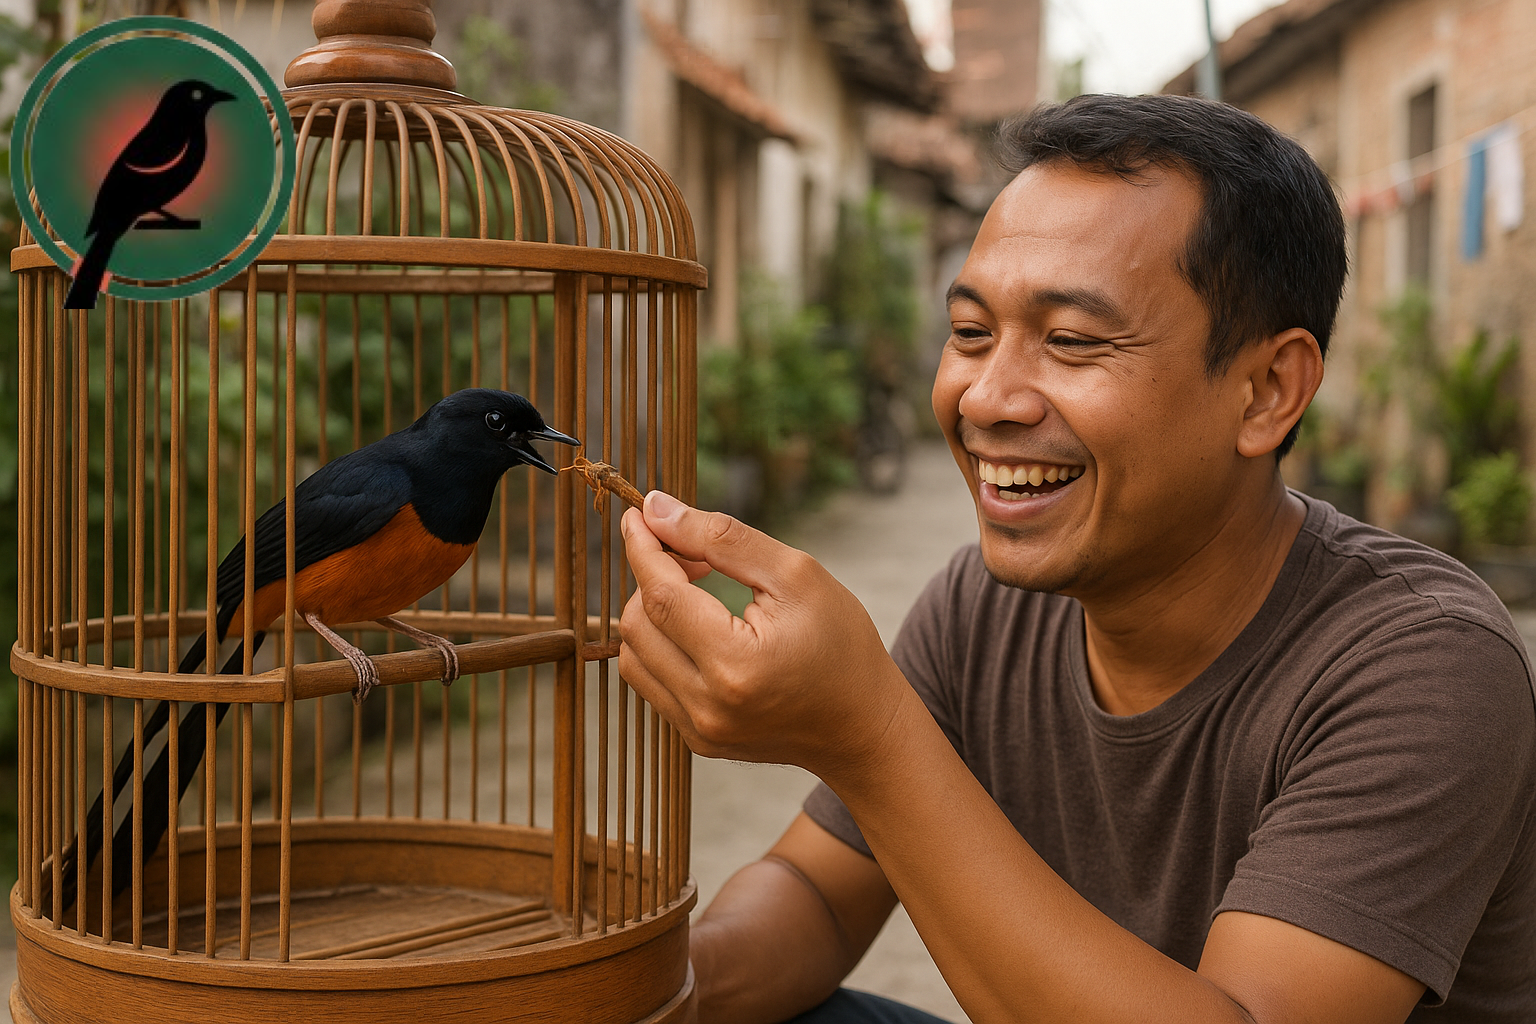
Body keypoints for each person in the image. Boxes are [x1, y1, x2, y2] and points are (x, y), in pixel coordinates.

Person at [616, 94, 1536, 1024]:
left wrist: (867, 734)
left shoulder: (1426, 665)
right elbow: (813, 896)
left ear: (1265, 392)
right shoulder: (984, 609)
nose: (987, 398)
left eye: (1071, 342)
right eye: (972, 334)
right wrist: (637, 997)